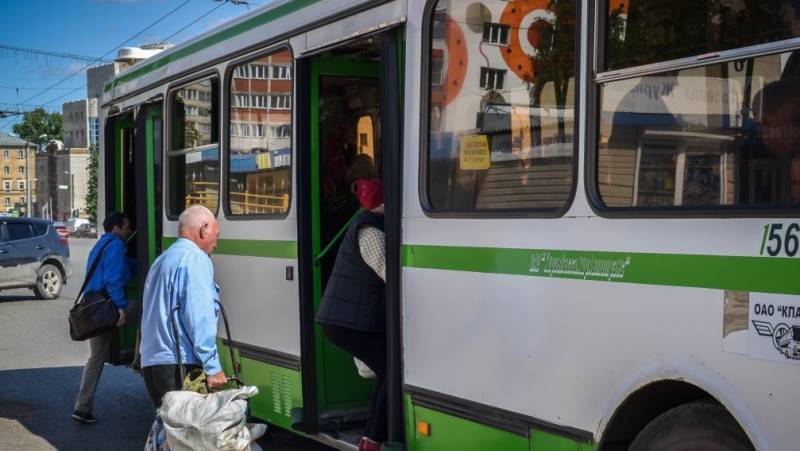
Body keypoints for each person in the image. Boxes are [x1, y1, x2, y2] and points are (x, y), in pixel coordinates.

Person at [316, 178, 387, 451]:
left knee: (386, 371)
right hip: (348, 323)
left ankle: (372, 437)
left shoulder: (368, 224)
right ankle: (374, 439)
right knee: (394, 371)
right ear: (381, 203)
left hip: (350, 321)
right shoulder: (370, 231)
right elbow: (390, 273)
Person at [139, 205, 227, 408]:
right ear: (203, 229)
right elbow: (199, 316)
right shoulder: (195, 259)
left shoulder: (162, 260)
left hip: (152, 362)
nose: (217, 242)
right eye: (216, 234)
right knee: (192, 435)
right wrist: (212, 366)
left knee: (170, 432)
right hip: (179, 363)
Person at [72, 211, 132, 424]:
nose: (128, 230)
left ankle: (82, 406)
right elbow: (113, 278)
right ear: (116, 228)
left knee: (95, 357)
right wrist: (121, 307)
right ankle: (144, 358)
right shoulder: (116, 245)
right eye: (126, 226)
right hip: (106, 307)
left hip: (93, 305)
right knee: (144, 312)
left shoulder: (101, 244)